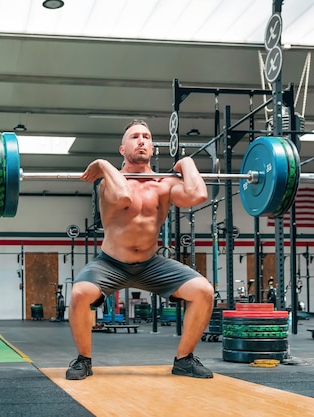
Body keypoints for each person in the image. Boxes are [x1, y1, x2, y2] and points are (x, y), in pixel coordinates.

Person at [66, 119, 215, 380]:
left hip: (150, 263)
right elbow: (124, 197)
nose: (142, 140)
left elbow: (197, 195)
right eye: (134, 137)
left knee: (203, 291)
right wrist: (102, 164)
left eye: (146, 137)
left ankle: (184, 360)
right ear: (122, 149)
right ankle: (84, 360)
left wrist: (187, 163)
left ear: (153, 148)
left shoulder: (165, 183)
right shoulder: (108, 182)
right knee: (79, 294)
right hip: (111, 263)